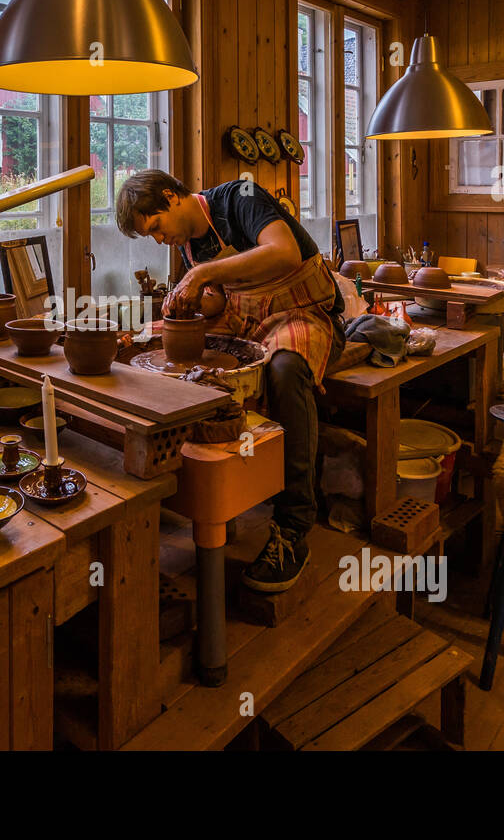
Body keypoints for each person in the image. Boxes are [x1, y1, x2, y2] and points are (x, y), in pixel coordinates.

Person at [116, 169, 345, 592]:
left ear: (171, 197)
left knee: (284, 370)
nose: (158, 240)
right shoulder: (188, 244)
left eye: (155, 227)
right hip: (249, 322)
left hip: (306, 314)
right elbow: (221, 298)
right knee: (200, 373)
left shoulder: (239, 196)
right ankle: (218, 500)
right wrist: (189, 305)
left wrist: (199, 276)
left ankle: (294, 524)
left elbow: (285, 253)